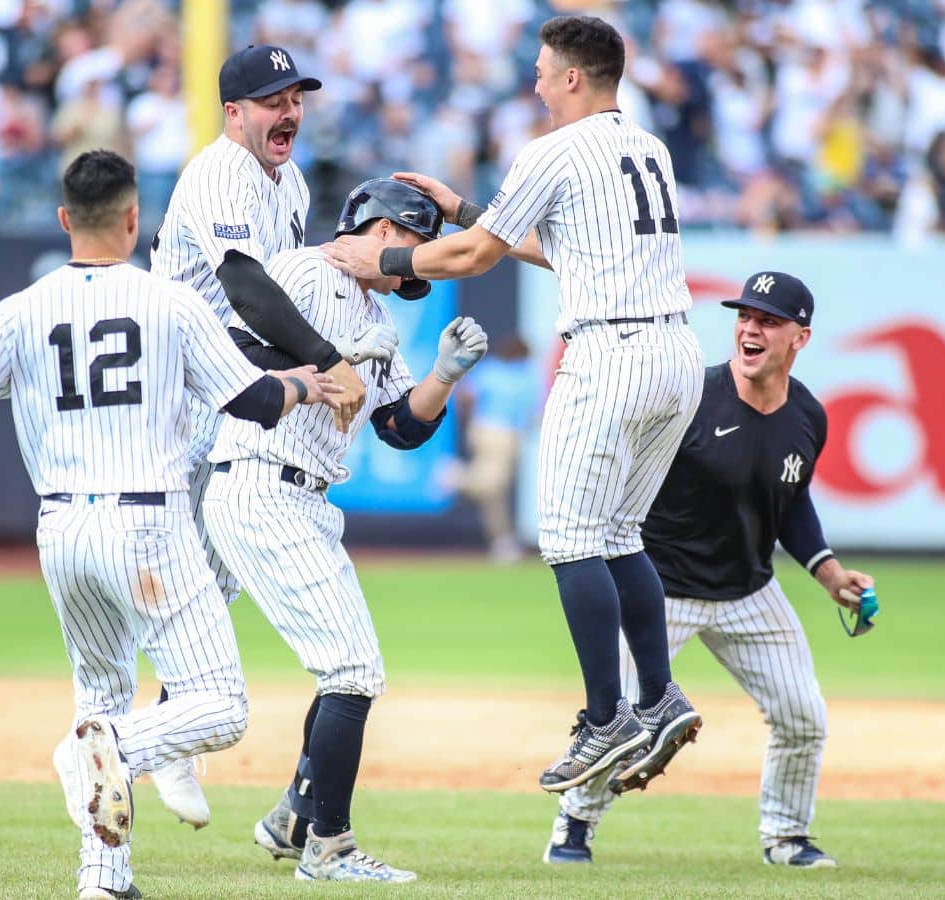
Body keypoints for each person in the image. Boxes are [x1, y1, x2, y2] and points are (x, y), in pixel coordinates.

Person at [0, 150, 341, 900]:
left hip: (60, 532)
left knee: (100, 692)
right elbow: (252, 403)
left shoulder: (22, 307)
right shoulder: (169, 301)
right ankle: (104, 749)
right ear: (133, 220)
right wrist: (303, 384)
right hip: (147, 527)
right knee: (216, 707)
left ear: (63, 221)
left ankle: (103, 879)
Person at [323, 15, 706, 794]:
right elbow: (555, 246)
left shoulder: (554, 148)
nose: (533, 83)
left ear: (572, 77)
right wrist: (466, 208)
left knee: (568, 538)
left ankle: (607, 718)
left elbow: (473, 257)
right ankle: (658, 694)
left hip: (612, 353)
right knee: (620, 531)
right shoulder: (649, 147)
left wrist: (383, 255)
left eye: (541, 70)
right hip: (676, 352)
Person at [202, 178, 488, 882]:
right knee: (353, 670)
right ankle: (327, 847)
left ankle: (295, 815)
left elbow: (398, 428)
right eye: (415, 249)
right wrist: (336, 363)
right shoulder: (305, 271)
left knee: (347, 666)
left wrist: (445, 376)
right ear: (385, 230)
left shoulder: (375, 312)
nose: (412, 271)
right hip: (262, 479)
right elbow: (234, 360)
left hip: (305, 499)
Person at [545, 272, 875, 869]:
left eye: (769, 321)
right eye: (745, 316)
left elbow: (791, 500)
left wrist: (827, 571)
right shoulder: (692, 398)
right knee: (623, 718)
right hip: (662, 590)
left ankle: (787, 837)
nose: (751, 328)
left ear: (800, 337)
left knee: (803, 718)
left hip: (750, 591)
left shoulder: (809, 416)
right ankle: (575, 826)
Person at [147, 43, 397, 825]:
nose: (289, 111)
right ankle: (142, 732)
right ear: (234, 113)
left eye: (297, 98)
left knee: (213, 577)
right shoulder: (220, 171)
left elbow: (276, 290)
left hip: (229, 385)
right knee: (166, 572)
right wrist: (326, 358)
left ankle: (165, 732)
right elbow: (248, 288)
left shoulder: (285, 180)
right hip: (176, 389)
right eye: (272, 100)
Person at [449, 333, 540, 563]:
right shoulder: (527, 374)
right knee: (492, 483)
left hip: (481, 428)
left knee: (494, 494)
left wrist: (469, 420)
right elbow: (533, 411)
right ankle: (455, 477)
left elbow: (465, 395)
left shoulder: (490, 369)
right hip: (505, 434)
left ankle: (502, 541)